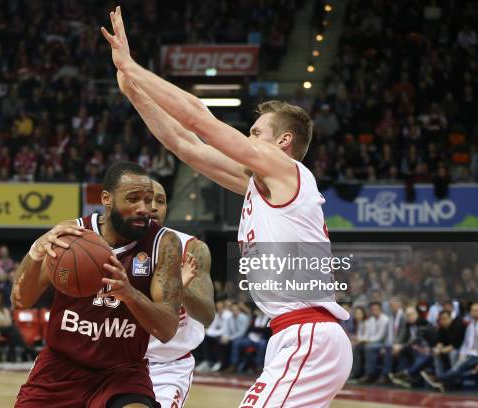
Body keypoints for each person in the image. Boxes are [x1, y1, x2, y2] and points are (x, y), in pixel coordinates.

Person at [102, 8, 351, 406]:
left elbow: (201, 120)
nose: (248, 140)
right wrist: (135, 94)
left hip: (309, 333)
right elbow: (185, 145)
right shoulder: (261, 186)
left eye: (255, 133)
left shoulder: (285, 169)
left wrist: (132, 68)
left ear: (284, 141)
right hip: (293, 335)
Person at [12, 161, 182, 408]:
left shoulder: (164, 244)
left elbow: (167, 329)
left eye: (148, 200)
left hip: (122, 373)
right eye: (133, 199)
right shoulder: (71, 236)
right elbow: (20, 300)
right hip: (61, 368)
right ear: (106, 198)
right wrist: (35, 253)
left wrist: (130, 294)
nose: (144, 208)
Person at [146, 179, 215, 407]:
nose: (154, 206)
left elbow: (206, 315)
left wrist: (179, 288)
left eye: (161, 201)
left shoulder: (191, 248)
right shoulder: (107, 246)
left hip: (167, 367)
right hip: (117, 361)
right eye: (147, 200)